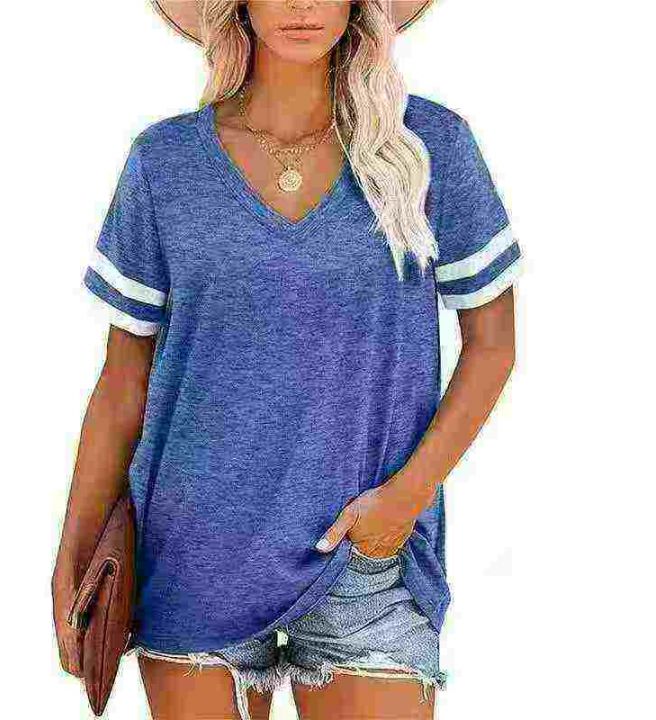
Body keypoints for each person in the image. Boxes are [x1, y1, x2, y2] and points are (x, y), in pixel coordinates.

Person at [52, 1, 523, 718]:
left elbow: (493, 345)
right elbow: (123, 382)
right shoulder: (166, 163)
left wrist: (404, 499)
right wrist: (74, 551)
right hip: (193, 555)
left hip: (367, 563)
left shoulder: (428, 147)